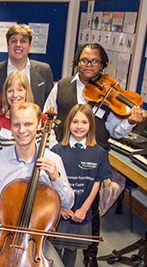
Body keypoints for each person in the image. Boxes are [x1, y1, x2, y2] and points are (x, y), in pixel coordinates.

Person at [44, 43, 146, 266]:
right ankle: (52, 249)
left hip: (92, 157)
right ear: (77, 62)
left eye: (94, 61)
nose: (88, 65)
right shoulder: (61, 86)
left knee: (90, 207)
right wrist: (53, 151)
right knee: (59, 201)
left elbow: (115, 130)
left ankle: (90, 253)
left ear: (102, 64)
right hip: (63, 155)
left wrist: (130, 121)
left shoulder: (112, 93)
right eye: (84, 60)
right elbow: (48, 116)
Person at [0, 102, 73, 266]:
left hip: (35, 242)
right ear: (10, 126)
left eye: (28, 124)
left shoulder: (53, 160)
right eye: (16, 124)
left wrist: (56, 177)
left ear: (39, 125)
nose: (21, 130)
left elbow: (69, 202)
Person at [50, 104, 112, 266]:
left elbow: (96, 183)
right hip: (60, 211)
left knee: (71, 250)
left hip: (81, 212)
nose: (79, 126)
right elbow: (50, 183)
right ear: (68, 124)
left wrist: (84, 208)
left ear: (90, 125)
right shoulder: (57, 151)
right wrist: (60, 208)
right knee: (54, 250)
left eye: (84, 122)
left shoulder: (99, 153)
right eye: (75, 122)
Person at [0, 23, 54, 108]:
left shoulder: (44, 70)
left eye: (23, 41)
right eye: (13, 41)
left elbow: (50, 105)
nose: (18, 45)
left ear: (30, 46)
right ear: (8, 45)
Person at [0, 72, 34, 151]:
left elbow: (45, 151)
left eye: (20, 90)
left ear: (27, 92)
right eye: (10, 91)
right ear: (5, 94)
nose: (15, 95)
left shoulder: (40, 118)